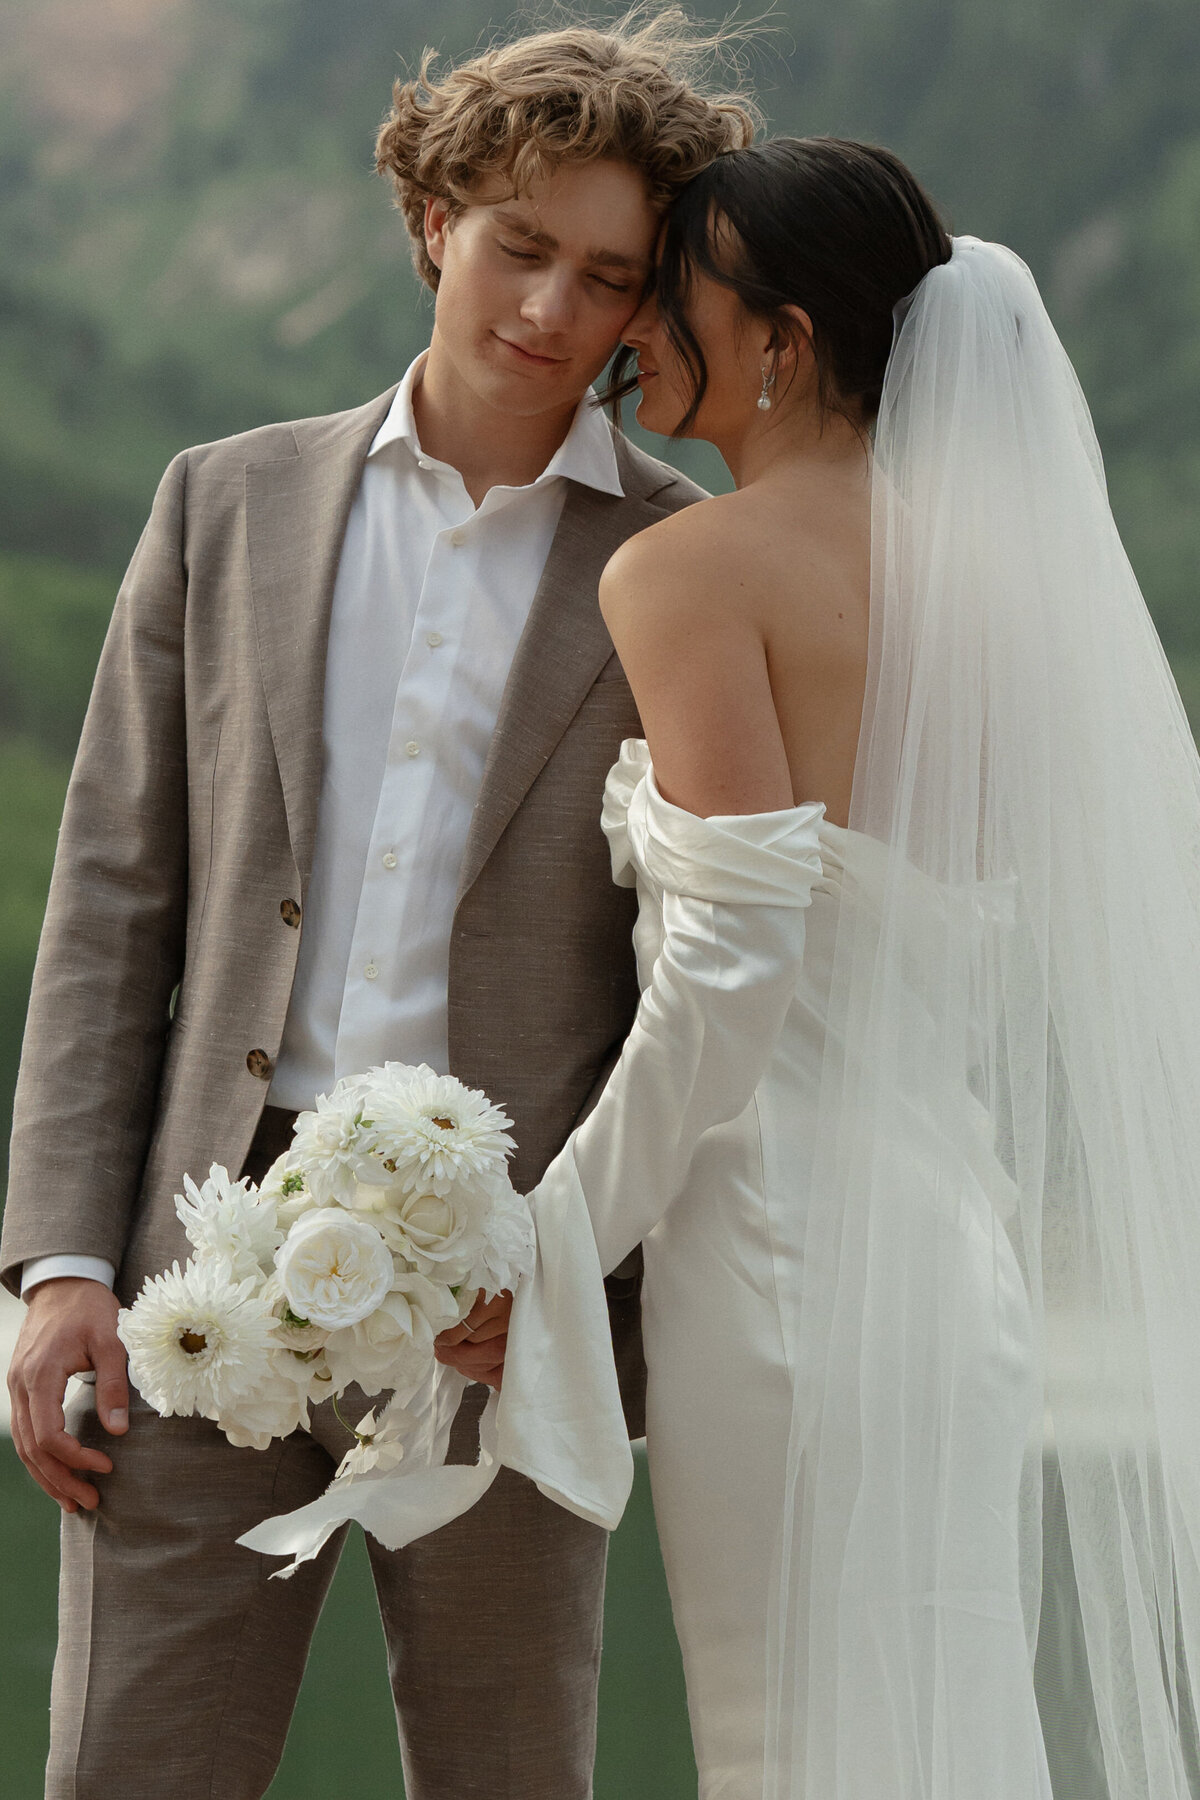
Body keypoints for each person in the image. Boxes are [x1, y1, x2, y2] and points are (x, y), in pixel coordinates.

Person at [0, 18, 754, 1798]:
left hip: (510, 1295)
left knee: (511, 1775)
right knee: (133, 1770)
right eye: (518, 246)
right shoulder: (225, 501)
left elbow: (699, 982)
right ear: (431, 218)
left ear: (650, 304)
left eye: (607, 275)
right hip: (199, 1270)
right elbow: (116, 900)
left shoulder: (677, 561)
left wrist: (576, 1281)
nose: (551, 310)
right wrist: (60, 1269)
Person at [441, 138, 1200, 1795]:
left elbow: (732, 977)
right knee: (941, 1717)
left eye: (673, 296)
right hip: (954, 1261)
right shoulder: (1000, 587)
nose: (634, 330)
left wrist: (549, 1244)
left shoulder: (691, 568)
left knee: (786, 1737)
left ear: (779, 342)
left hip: (781, 1263)